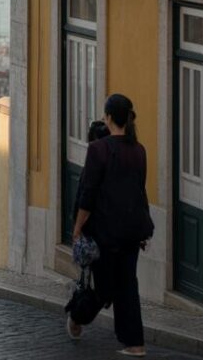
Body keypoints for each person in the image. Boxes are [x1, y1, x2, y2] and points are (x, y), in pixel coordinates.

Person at [68, 94, 151, 356]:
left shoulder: (98, 149)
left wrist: (78, 228)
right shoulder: (139, 150)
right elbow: (139, 191)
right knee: (127, 284)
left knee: (102, 288)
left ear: (108, 117)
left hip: (105, 231)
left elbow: (88, 194)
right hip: (132, 231)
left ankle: (77, 317)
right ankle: (134, 343)